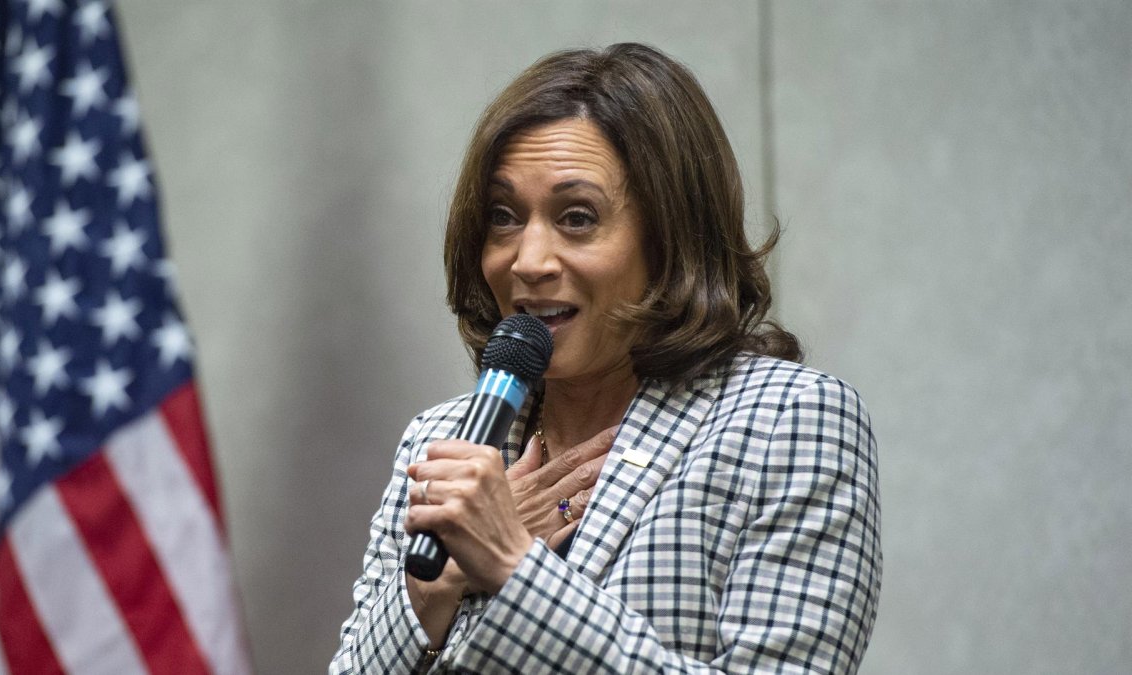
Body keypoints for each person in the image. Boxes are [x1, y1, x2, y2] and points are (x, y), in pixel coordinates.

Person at [331, 43, 880, 674]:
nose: (528, 261)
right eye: (504, 217)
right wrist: (433, 588)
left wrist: (513, 565)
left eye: (577, 218)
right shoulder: (440, 442)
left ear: (671, 239)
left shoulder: (790, 422)